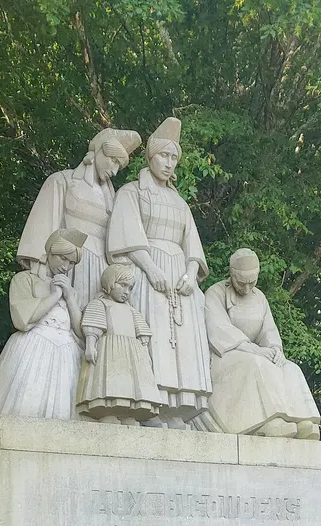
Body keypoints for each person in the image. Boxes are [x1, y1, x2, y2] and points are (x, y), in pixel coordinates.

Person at [106, 117, 212, 427]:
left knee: (181, 346)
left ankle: (176, 409)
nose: (168, 163)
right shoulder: (132, 192)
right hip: (146, 272)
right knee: (153, 340)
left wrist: (191, 273)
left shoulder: (180, 202)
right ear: (151, 156)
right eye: (163, 155)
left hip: (179, 278)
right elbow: (126, 235)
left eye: (173, 157)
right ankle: (149, 405)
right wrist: (151, 269)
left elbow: (192, 245)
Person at [0, 229, 87, 425]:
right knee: (25, 405)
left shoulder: (72, 292)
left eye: (72, 263)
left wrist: (69, 298)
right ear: (50, 253)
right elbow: (22, 320)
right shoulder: (24, 279)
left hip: (67, 353)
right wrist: (55, 295)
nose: (66, 266)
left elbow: (81, 332)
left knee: (64, 411)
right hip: (33, 345)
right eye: (63, 258)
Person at [201, 248, 321, 438]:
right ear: (232, 274)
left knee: (290, 368)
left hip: (256, 353)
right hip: (225, 356)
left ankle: (301, 420)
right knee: (255, 364)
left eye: (252, 282)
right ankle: (267, 421)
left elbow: (268, 330)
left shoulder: (260, 298)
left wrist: (275, 349)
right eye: (241, 283)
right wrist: (252, 349)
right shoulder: (215, 293)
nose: (247, 288)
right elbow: (218, 329)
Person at [17, 129, 141, 307]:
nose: (114, 171)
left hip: (102, 271)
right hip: (69, 265)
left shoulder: (113, 199)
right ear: (100, 150)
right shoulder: (62, 181)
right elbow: (41, 234)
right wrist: (42, 270)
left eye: (119, 166)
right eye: (113, 160)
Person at [76, 263, 161, 424]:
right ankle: (108, 413)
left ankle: (128, 414)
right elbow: (93, 326)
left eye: (130, 288)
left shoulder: (132, 310)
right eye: (122, 285)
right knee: (110, 384)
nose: (126, 291)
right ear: (109, 283)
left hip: (132, 354)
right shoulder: (99, 304)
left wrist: (145, 353)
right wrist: (90, 345)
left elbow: (142, 334)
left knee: (131, 386)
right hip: (109, 353)